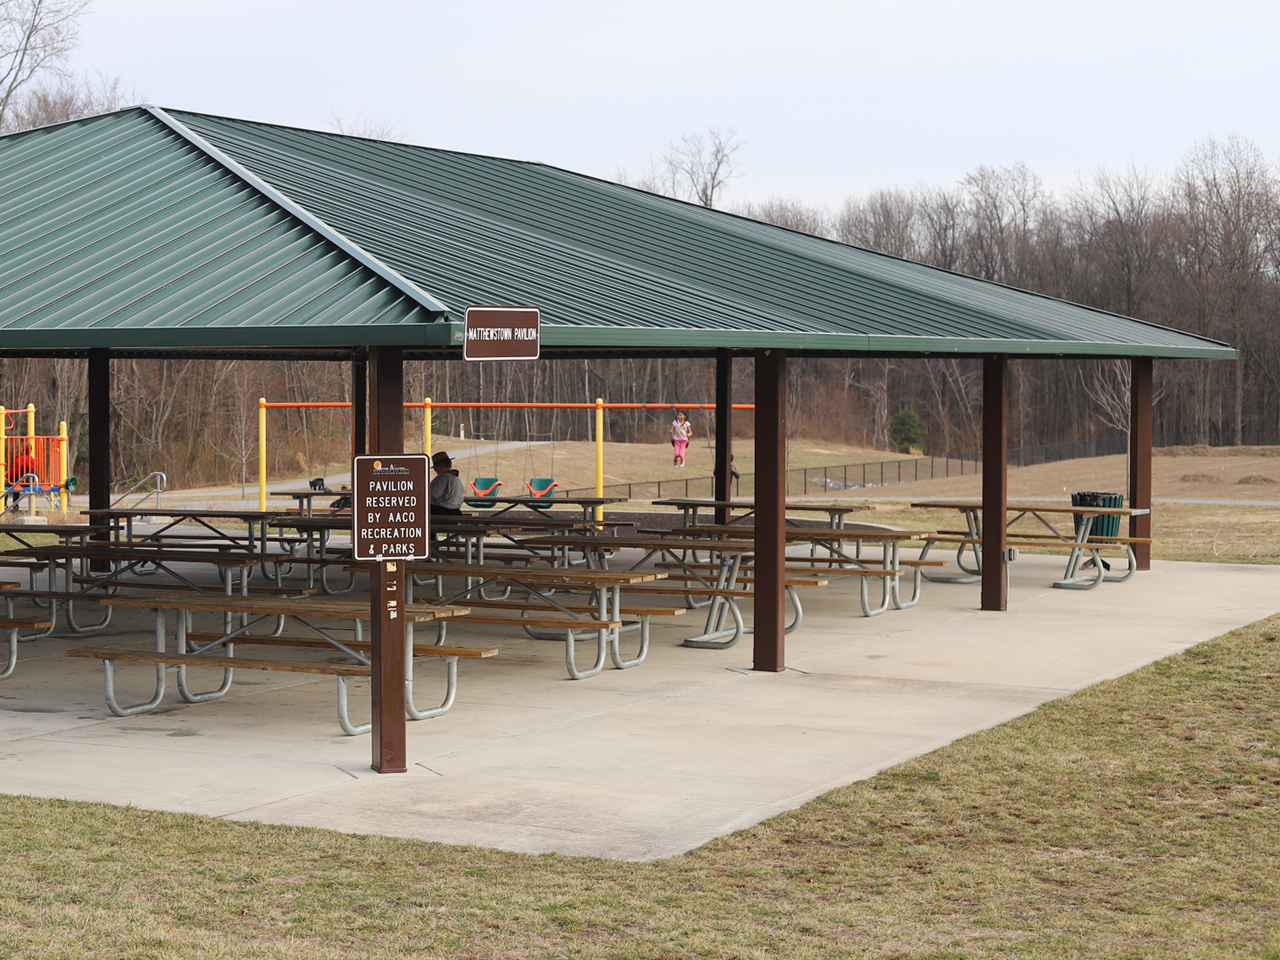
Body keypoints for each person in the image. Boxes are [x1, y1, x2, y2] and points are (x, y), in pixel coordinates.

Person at [429, 450, 466, 516]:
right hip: (455, 511)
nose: (435, 470)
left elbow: (432, 495)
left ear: (442, 466)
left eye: (435, 467)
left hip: (441, 511)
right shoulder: (455, 477)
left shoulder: (443, 477)